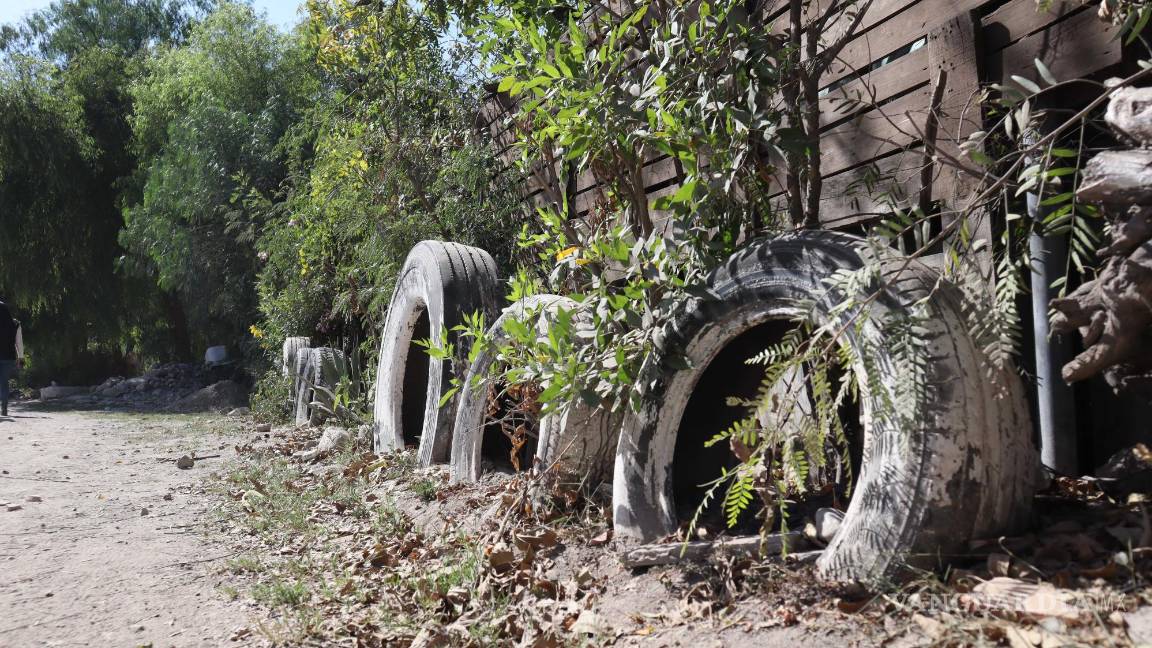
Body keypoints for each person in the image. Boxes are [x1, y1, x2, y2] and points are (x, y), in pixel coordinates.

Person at [0, 300, 23, 417]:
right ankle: (4, 408)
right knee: (4, 383)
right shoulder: (15, 324)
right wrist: (21, 357)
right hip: (9, 357)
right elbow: (19, 342)